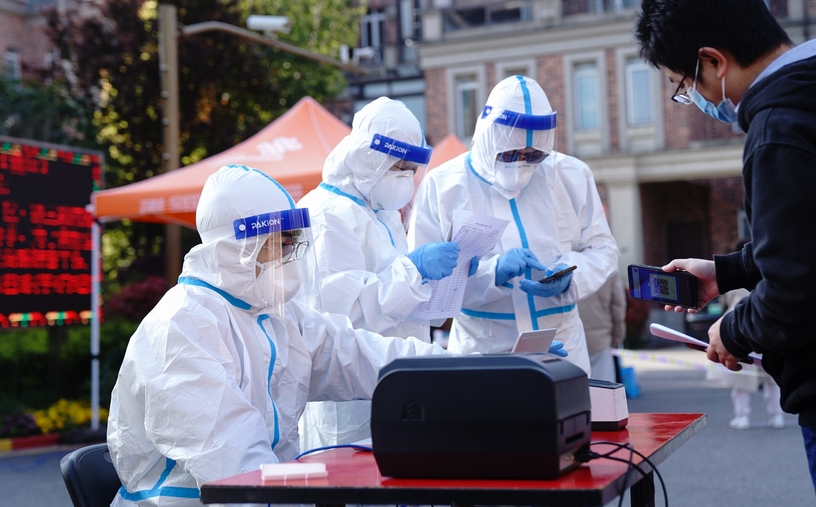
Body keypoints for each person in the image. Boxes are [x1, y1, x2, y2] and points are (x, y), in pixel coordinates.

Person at [635, 0, 816, 504]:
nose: (693, 98)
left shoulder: (782, 129)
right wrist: (729, 271)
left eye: (684, 84)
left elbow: (805, 290)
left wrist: (732, 331)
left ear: (713, 60)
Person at [106, 165, 452, 507]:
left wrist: (461, 372)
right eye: (280, 244)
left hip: (270, 493)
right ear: (238, 246)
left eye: (292, 243)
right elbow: (233, 461)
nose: (290, 256)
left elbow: (358, 354)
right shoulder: (181, 326)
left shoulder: (275, 316)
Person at [409, 75, 620, 376]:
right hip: (483, 350)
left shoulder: (570, 175)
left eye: (533, 156)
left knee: (567, 407)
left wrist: (572, 276)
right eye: (510, 154)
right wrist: (492, 274)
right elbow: (425, 285)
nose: (521, 163)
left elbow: (603, 248)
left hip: (562, 345)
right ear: (489, 136)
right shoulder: (443, 186)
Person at [295, 97, 470, 449]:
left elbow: (399, 302)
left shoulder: (381, 213)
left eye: (411, 168)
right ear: (367, 157)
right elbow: (341, 316)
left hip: (398, 386)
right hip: (349, 408)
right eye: (398, 166)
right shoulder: (326, 214)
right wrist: (414, 269)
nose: (406, 177)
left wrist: (449, 277)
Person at [707, 286, 785, 430]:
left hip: (738, 327)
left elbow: (726, 300)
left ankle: (742, 416)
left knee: (740, 380)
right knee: (772, 380)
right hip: (765, 324)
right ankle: (777, 416)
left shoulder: (734, 282)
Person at [579, 272, 626, 381]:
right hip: (600, 340)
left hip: (572, 339)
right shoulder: (609, 267)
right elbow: (618, 306)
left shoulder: (564, 263)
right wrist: (617, 338)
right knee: (603, 388)